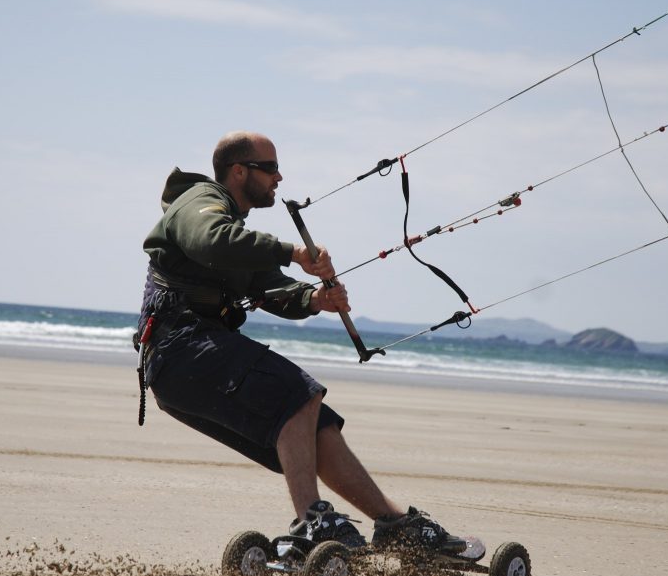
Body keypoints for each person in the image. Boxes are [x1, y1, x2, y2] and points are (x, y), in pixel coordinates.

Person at [136, 131, 465, 553]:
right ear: (239, 171)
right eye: (270, 168)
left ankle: (393, 523)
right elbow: (211, 241)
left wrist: (315, 299)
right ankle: (313, 523)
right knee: (297, 395)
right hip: (178, 349)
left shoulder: (234, 231)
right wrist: (293, 252)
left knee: (316, 423)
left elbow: (268, 286)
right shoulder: (200, 201)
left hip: (186, 361)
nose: (279, 177)